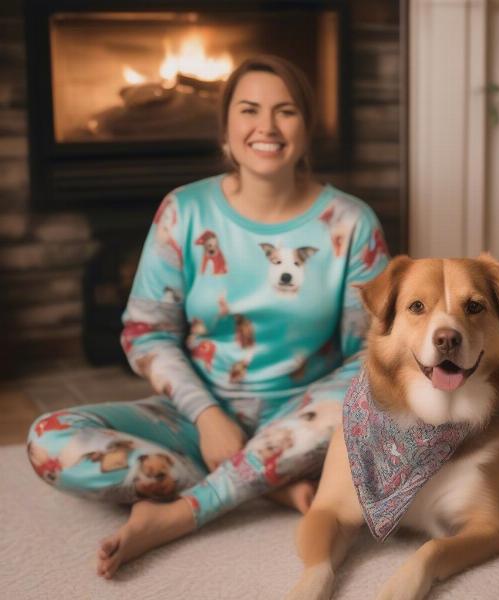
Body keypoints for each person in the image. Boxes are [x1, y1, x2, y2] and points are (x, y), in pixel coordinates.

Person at [27, 55, 390, 579]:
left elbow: (370, 351)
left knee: (369, 391)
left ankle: (181, 512)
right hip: (199, 420)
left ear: (308, 128)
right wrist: (204, 414)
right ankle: (268, 481)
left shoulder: (352, 223)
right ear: (226, 129)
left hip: (308, 418)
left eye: (285, 112)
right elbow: (144, 332)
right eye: (249, 111)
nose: (266, 127)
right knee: (48, 438)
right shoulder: (184, 211)